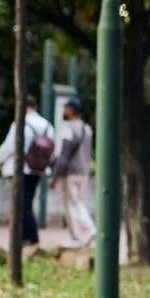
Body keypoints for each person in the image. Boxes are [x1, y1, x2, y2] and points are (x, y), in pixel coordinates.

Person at [0, 95, 53, 247]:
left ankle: (29, 237)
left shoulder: (20, 123)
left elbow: (10, 146)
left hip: (21, 168)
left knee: (21, 204)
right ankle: (27, 237)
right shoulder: (47, 125)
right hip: (38, 169)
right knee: (27, 202)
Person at [53, 98, 95, 248]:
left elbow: (64, 155)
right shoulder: (87, 129)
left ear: (71, 110)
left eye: (65, 108)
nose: (64, 111)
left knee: (72, 204)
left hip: (70, 173)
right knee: (77, 201)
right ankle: (80, 237)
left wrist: (56, 176)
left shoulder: (68, 129)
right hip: (83, 171)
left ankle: (86, 231)